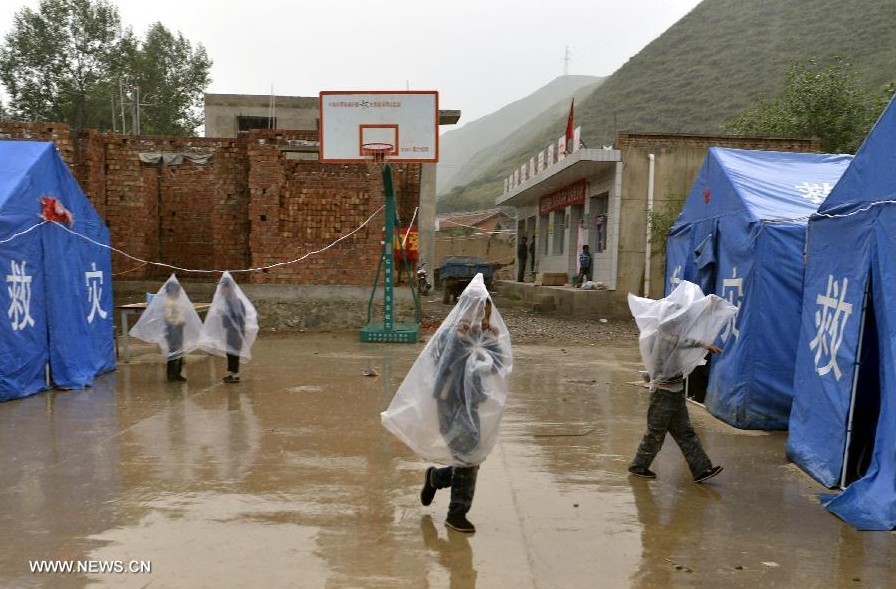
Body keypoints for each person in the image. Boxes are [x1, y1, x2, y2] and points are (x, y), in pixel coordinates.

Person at [381, 274, 512, 534]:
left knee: (470, 456)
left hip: (472, 403)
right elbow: (448, 366)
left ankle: (437, 478)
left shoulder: (484, 334)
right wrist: (468, 342)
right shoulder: (452, 334)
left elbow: (497, 366)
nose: (479, 313)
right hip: (450, 403)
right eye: (475, 307)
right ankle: (457, 514)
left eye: (483, 309)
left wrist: (490, 343)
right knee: (469, 457)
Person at [627, 282, 736, 483]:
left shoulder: (670, 334)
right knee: (655, 433)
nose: (680, 322)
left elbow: (689, 323)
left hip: (674, 392)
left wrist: (707, 307)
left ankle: (702, 469)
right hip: (663, 394)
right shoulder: (661, 336)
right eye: (677, 319)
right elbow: (681, 341)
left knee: (685, 432)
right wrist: (703, 343)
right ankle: (638, 465)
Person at [198, 271, 259, 384]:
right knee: (231, 353)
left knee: (233, 353)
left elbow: (234, 318)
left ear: (228, 288)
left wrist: (223, 316)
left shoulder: (232, 301)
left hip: (234, 332)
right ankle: (232, 373)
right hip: (235, 331)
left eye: (223, 288)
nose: (221, 290)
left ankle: (234, 375)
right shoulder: (234, 300)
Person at [163, 281, 188, 382]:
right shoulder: (168, 303)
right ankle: (171, 374)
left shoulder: (176, 302)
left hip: (178, 329)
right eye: (177, 292)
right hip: (172, 330)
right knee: (173, 351)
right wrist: (178, 322)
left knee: (179, 351)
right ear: (172, 292)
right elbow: (168, 318)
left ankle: (178, 373)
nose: (179, 294)